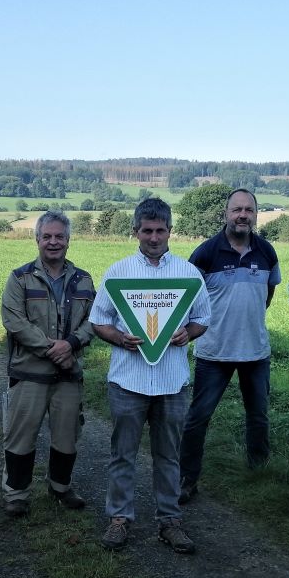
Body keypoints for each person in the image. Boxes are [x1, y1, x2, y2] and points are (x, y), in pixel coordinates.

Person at [88, 197, 211, 553]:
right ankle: (119, 519)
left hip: (172, 380)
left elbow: (203, 317)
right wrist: (120, 338)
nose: (154, 237)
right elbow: (99, 321)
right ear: (135, 231)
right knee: (123, 453)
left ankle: (169, 521)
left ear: (170, 231)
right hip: (128, 379)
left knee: (168, 455)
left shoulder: (188, 274)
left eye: (160, 230)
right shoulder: (118, 272)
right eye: (147, 231)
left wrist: (188, 332)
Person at [178, 189, 280, 504]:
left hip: (255, 352)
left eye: (249, 210)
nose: (242, 215)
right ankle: (186, 479)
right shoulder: (206, 252)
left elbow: (268, 293)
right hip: (213, 353)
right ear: (226, 213)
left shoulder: (267, 252)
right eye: (237, 209)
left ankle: (258, 471)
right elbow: (189, 301)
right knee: (198, 417)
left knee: (258, 417)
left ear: (256, 214)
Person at [0, 211, 96, 517]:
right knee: (20, 436)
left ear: (68, 240)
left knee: (67, 437)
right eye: (47, 236)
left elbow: (95, 320)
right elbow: (14, 322)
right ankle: (16, 494)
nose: (53, 242)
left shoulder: (84, 280)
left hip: (69, 375)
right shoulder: (20, 278)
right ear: (37, 239)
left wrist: (71, 345)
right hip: (29, 373)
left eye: (59, 236)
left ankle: (60, 487)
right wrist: (53, 348)